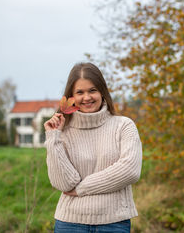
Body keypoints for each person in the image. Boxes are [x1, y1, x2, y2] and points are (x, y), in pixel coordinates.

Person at [44, 62, 142, 233]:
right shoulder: (62, 131)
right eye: (80, 92)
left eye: (92, 90)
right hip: (69, 224)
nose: (87, 97)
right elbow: (64, 183)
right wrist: (53, 137)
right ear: (71, 96)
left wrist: (82, 188)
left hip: (114, 223)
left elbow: (130, 170)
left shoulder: (124, 126)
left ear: (102, 92)